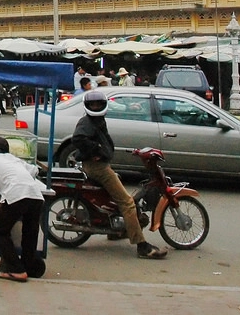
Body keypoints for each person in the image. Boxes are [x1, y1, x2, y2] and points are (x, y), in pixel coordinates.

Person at [70, 91, 167, 259]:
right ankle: (142, 246)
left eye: (98, 104)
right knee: (128, 203)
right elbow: (78, 139)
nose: (96, 107)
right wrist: (96, 150)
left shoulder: (96, 120)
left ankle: (118, 231)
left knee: (116, 194)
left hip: (100, 165)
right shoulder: (87, 122)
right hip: (97, 167)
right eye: (93, 105)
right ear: (87, 106)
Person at [0, 136, 46, 282]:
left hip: (17, 196)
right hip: (36, 196)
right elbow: (34, 171)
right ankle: (28, 266)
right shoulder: (15, 159)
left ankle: (16, 269)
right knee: (29, 234)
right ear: (8, 151)